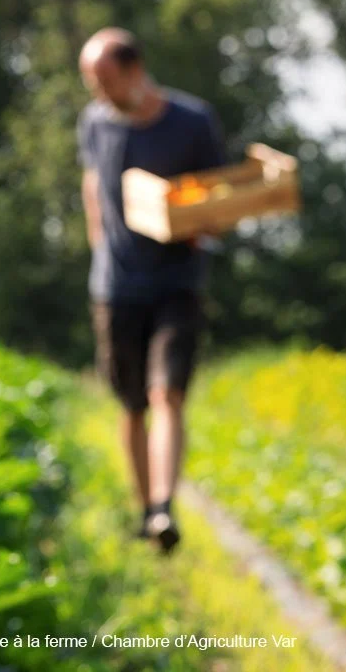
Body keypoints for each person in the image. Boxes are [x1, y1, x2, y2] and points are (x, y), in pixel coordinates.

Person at [77, 28, 226, 553]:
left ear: (135, 71)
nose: (99, 93)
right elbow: (92, 180)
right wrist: (98, 241)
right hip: (116, 285)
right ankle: (146, 511)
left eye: (106, 81)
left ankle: (165, 506)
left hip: (175, 281)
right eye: (92, 83)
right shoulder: (95, 121)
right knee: (132, 402)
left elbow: (219, 201)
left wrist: (197, 220)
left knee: (169, 393)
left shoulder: (192, 121)